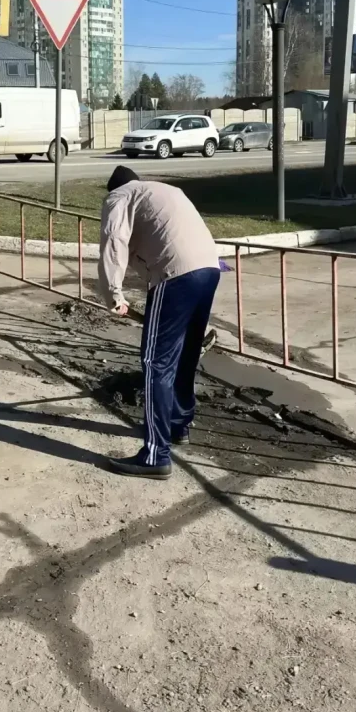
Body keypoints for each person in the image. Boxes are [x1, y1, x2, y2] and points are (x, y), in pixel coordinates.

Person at [98, 165, 220, 479]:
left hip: (176, 275)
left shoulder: (119, 197)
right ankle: (178, 425)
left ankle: (155, 455)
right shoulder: (161, 191)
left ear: (114, 189)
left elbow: (114, 241)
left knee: (156, 362)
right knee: (187, 353)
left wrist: (113, 293)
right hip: (209, 269)